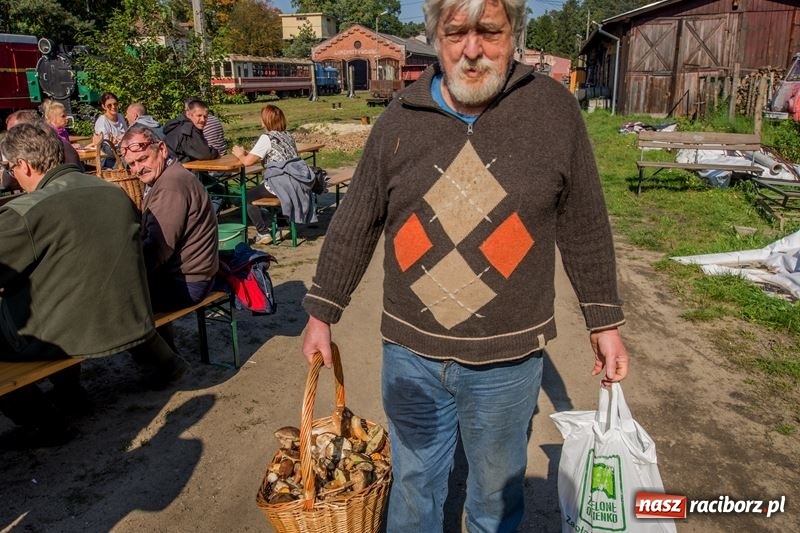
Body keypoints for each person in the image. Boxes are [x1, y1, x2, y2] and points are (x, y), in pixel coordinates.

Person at [300, 0, 630, 531]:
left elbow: (584, 220)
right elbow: (356, 220)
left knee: (495, 499)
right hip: (411, 354)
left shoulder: (551, 111)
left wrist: (604, 320)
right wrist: (322, 312)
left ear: (515, 35)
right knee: (413, 487)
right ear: (436, 38)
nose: (472, 50)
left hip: (508, 359)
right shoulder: (399, 119)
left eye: (489, 31)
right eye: (456, 33)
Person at [0, 123, 188, 446]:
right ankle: (74, 389)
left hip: (66, 334)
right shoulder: (113, 192)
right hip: (126, 319)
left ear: (24, 166)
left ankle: (43, 422)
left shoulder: (24, 213)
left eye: (9, 168)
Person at [120, 125, 219, 313]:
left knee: (110, 302)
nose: (138, 169)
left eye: (143, 159)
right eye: (132, 164)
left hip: (187, 283)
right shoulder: (169, 175)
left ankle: (153, 342)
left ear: (162, 150)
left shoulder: (171, 185)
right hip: (190, 276)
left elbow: (157, 249)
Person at [232, 104, 310, 244]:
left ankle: (263, 232)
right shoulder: (287, 135)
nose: (260, 121)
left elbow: (248, 162)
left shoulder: (267, 138)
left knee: (247, 197)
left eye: (262, 118)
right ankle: (283, 225)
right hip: (296, 181)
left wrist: (239, 154)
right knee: (273, 191)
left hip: (281, 182)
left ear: (266, 120)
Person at [3, 110, 81, 186]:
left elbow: (7, 183)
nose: (10, 137)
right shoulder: (62, 143)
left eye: (13, 132)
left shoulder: (28, 150)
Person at [163, 98, 219, 162]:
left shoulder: (178, 124)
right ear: (189, 115)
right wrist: (215, 152)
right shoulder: (187, 129)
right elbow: (205, 154)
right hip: (177, 169)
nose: (203, 120)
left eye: (205, 116)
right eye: (199, 116)